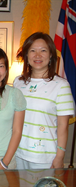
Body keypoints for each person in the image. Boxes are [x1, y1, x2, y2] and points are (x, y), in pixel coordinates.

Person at [13, 32, 75, 169]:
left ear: (51, 55)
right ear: (27, 55)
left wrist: (60, 157)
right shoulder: (18, 82)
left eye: (43, 50)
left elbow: (63, 126)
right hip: (17, 153)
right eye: (32, 50)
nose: (37, 55)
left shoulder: (61, 85)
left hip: (45, 157)